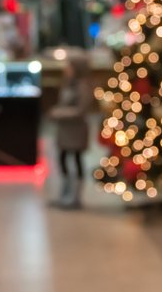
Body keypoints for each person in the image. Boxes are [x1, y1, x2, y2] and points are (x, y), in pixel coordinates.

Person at [49, 56, 94, 209]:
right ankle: (64, 195)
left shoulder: (82, 86)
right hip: (65, 130)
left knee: (76, 158)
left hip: (76, 130)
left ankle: (75, 197)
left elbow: (81, 109)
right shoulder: (67, 85)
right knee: (62, 158)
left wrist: (60, 113)